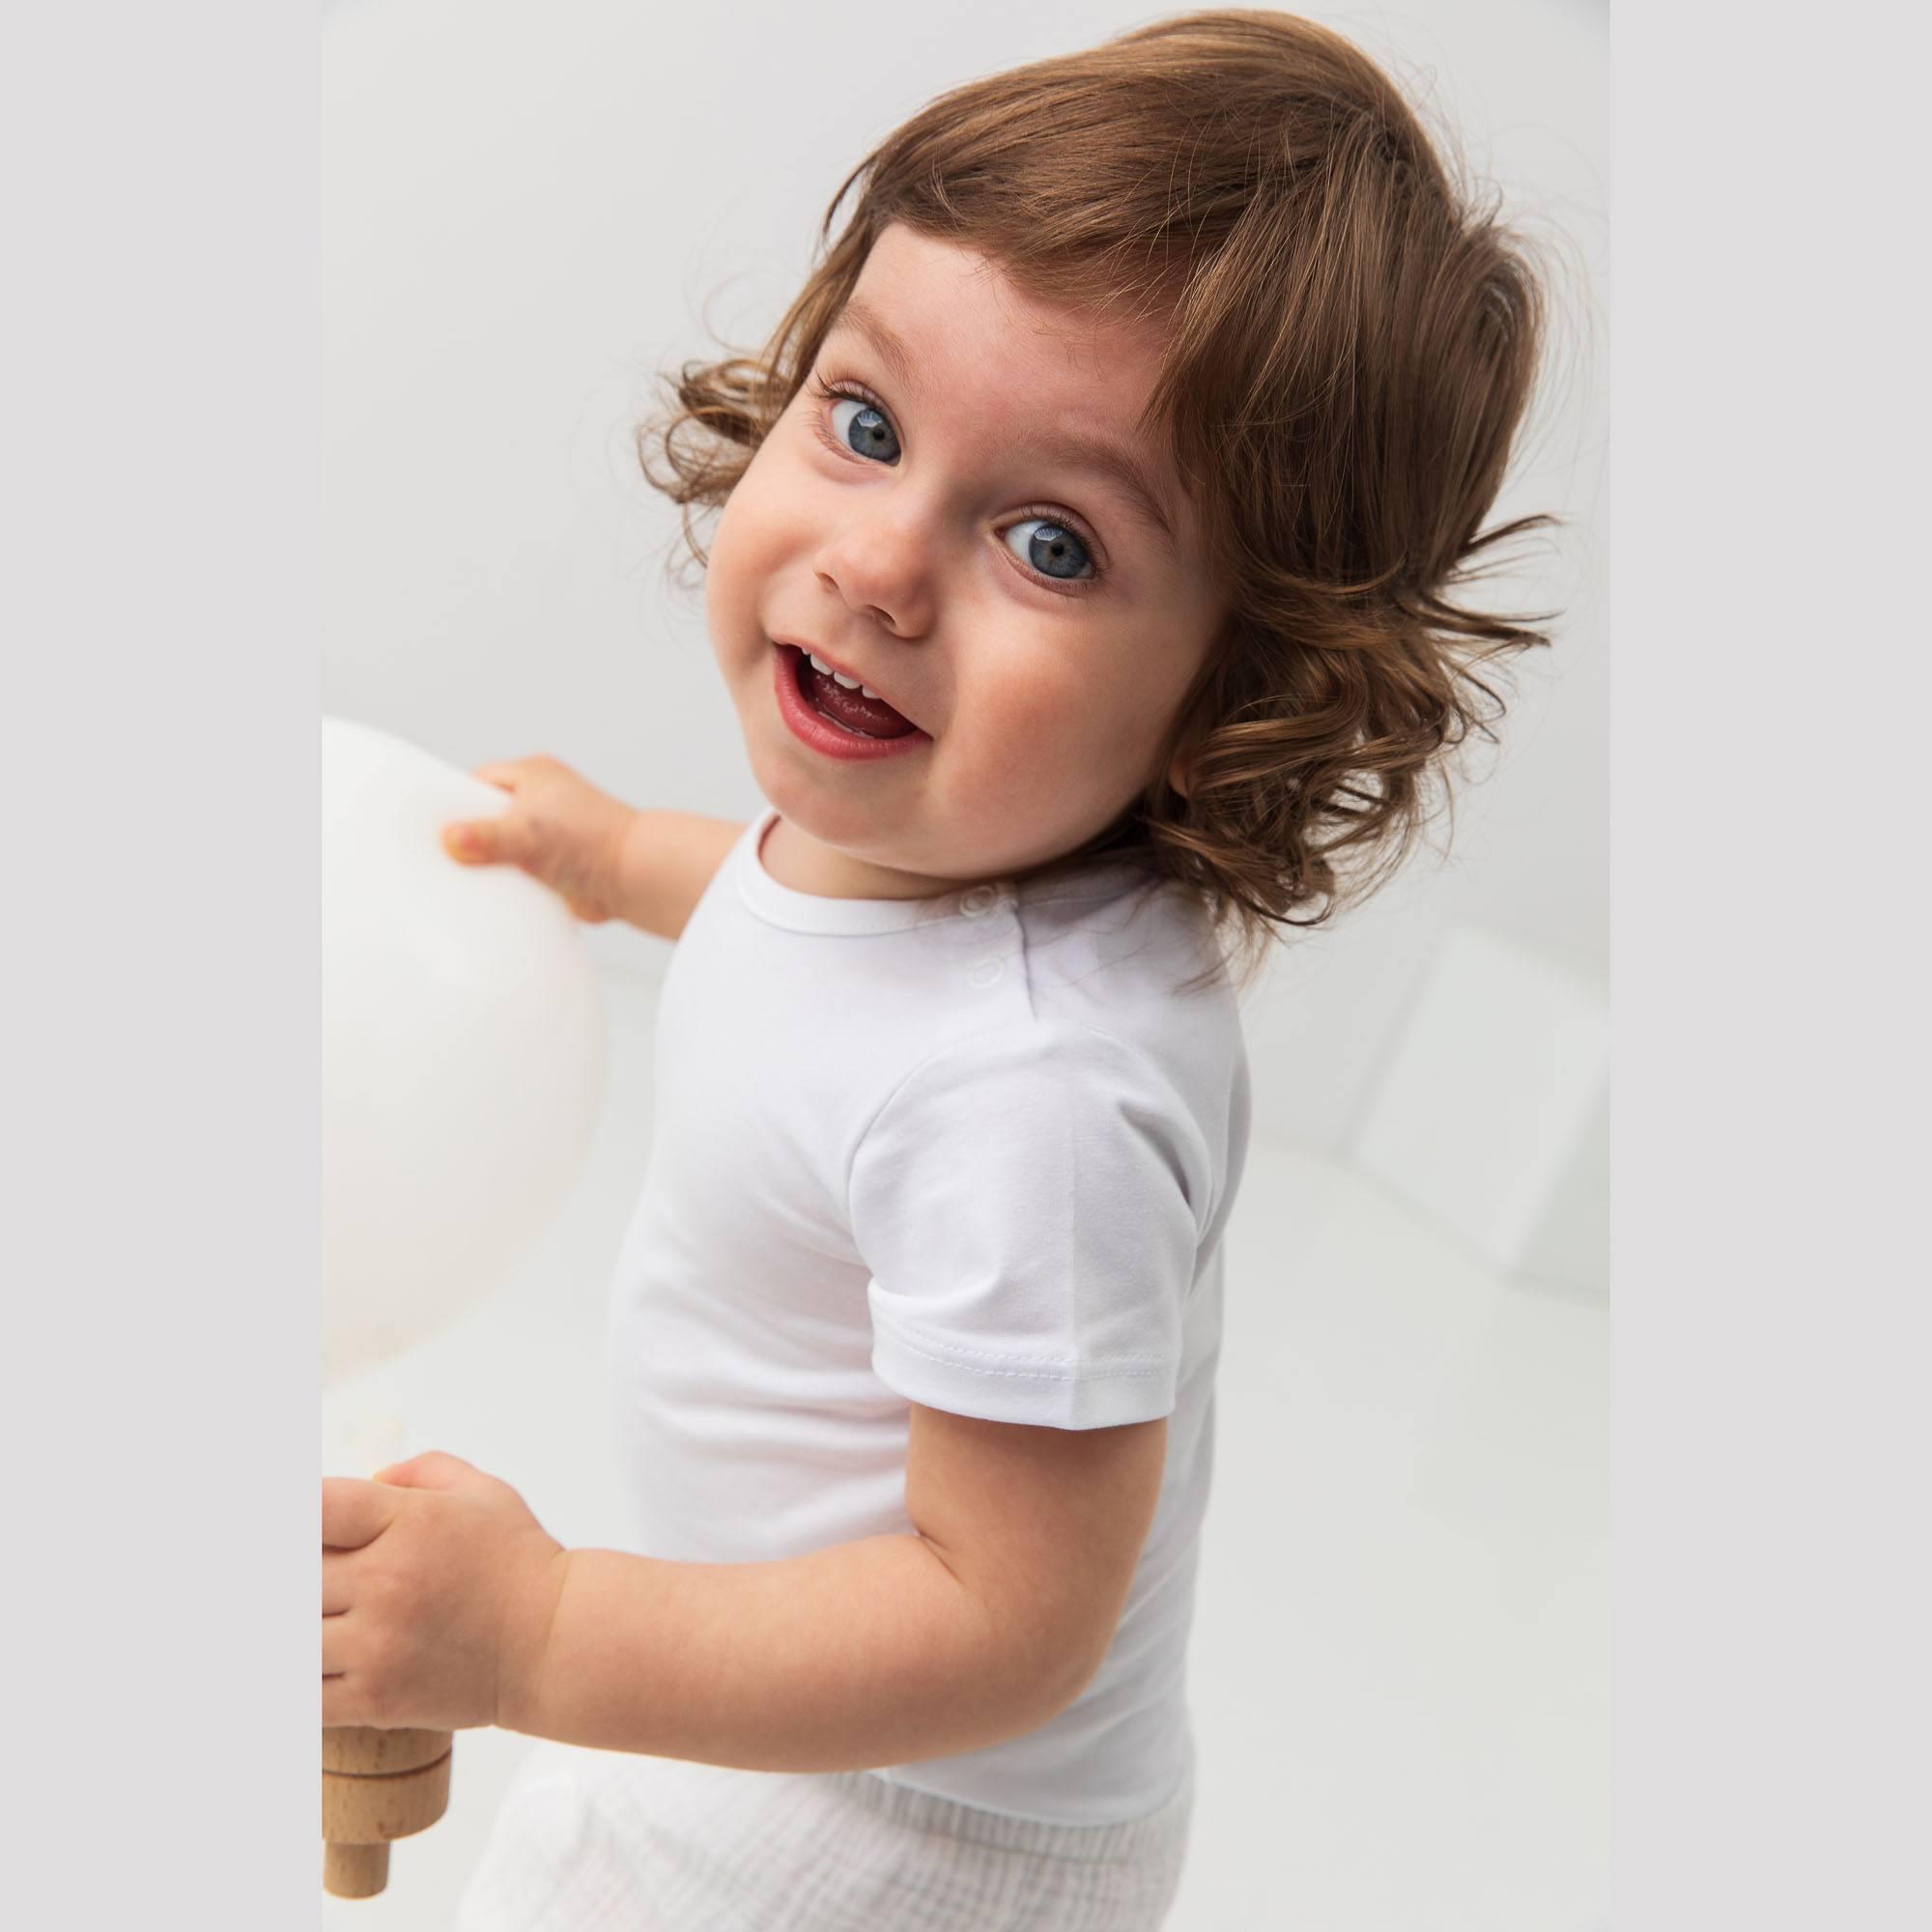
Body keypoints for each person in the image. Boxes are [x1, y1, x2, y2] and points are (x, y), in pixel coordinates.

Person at [329, 13, 1563, 1927]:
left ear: (1238, 697)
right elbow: (785, 923)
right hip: (778, 1712)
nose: (884, 563)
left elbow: (1001, 1619)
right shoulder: (932, 839)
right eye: (869, 422)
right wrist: (621, 858)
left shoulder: (1033, 1100)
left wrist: (553, 1627)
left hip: (895, 1836)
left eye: (1053, 542)